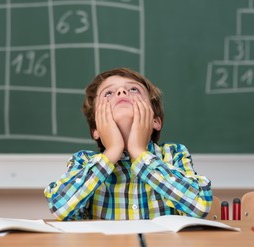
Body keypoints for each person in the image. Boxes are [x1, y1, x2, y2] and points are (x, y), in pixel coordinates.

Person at [44, 67, 212, 220]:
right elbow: (59, 207)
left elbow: (199, 206)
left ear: (155, 120)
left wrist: (138, 152)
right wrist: (112, 151)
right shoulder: (83, 161)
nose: (122, 92)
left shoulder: (174, 154)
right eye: (108, 93)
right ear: (96, 128)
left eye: (133, 89)